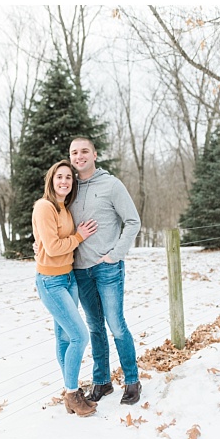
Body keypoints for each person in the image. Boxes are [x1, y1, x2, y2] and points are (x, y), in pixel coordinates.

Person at [68, 136, 144, 405]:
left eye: (84, 151)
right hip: (80, 270)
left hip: (108, 268)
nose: (80, 156)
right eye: (75, 152)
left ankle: (132, 380)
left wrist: (115, 255)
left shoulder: (111, 185)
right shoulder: (70, 188)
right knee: (94, 328)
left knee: (116, 325)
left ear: (95, 154)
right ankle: (102, 382)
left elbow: (133, 221)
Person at [32, 160, 99, 417]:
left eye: (68, 178)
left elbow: (48, 242)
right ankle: (71, 394)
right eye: (59, 177)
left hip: (68, 277)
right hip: (51, 282)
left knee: (63, 337)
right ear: (51, 180)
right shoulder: (44, 206)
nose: (64, 181)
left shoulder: (64, 207)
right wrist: (79, 236)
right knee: (80, 336)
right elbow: (52, 247)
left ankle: (70, 390)